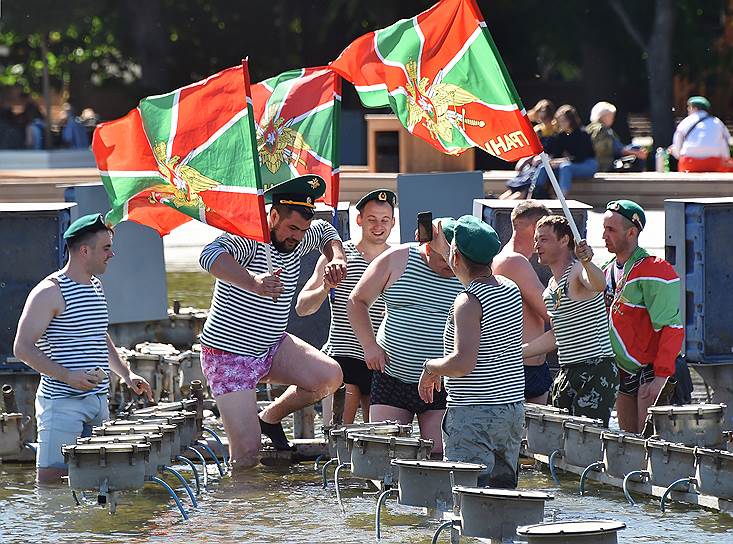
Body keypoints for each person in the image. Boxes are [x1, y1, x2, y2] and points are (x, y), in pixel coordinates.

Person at [198, 175, 347, 467]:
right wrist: (253, 281)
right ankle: (239, 510)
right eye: (292, 228)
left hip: (273, 347)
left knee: (330, 377)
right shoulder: (249, 238)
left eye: (303, 230)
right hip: (230, 356)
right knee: (248, 454)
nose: (298, 236)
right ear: (273, 215)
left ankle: (270, 417)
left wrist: (336, 258)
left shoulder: (302, 236)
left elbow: (328, 232)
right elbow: (208, 255)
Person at [12, 214, 153, 483]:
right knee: (53, 482)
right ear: (84, 250)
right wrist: (68, 376)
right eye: (106, 248)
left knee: (95, 482)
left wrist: (126, 374)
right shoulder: (49, 292)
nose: (112, 255)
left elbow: (99, 335)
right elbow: (22, 348)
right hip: (62, 404)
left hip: (98, 401)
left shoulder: (96, 285)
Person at [419, 216, 525, 488]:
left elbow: (463, 363)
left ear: (455, 257)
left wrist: (431, 368)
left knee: (467, 496)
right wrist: (449, 250)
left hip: (473, 413)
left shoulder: (467, 302)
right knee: (504, 496)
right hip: (511, 411)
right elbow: (470, 274)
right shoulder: (510, 288)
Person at [348, 220, 464, 456]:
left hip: (439, 382)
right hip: (392, 374)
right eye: (444, 259)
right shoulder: (398, 258)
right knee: (382, 454)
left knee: (439, 454)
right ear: (429, 248)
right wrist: (369, 346)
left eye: (454, 258)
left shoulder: (463, 270)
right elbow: (357, 301)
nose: (450, 266)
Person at [296, 189, 396, 425]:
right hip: (344, 357)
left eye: (385, 220)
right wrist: (325, 288)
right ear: (359, 220)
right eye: (372, 219)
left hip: (384, 360)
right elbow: (302, 307)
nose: (378, 226)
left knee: (382, 439)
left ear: (393, 222)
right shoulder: (339, 257)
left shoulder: (399, 257)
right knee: (339, 434)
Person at [523, 215, 619, 426]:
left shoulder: (577, 271)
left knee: (584, 441)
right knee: (559, 438)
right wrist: (517, 352)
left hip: (595, 368)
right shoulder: (550, 287)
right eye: (536, 240)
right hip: (567, 370)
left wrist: (587, 261)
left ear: (565, 240)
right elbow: (558, 335)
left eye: (544, 239)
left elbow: (598, 284)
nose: (537, 245)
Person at [601, 200, 683, 433]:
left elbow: (671, 327)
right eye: (604, 228)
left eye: (611, 230)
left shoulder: (655, 269)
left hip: (650, 370)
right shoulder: (606, 269)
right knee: (629, 445)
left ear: (631, 232)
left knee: (649, 447)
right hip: (622, 370)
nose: (604, 236)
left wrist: (661, 377)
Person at [492, 201, 552, 404]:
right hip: (519, 370)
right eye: (543, 228)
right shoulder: (513, 261)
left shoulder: (515, 261)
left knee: (539, 434)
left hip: (532, 368)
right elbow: (551, 312)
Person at [534, 105, 597, 197]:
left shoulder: (582, 134)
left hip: (587, 165)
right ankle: (536, 194)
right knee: (544, 167)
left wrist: (559, 162)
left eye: (564, 121)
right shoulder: (561, 136)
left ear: (571, 120)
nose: (561, 123)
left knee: (565, 167)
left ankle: (561, 198)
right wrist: (548, 160)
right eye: (559, 121)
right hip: (569, 164)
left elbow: (579, 157)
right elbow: (556, 154)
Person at [669, 96, 733, 173]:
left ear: (694, 108)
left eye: (689, 107)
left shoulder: (685, 122)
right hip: (714, 163)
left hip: (689, 163)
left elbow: (678, 150)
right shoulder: (717, 122)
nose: (688, 110)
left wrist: (674, 152)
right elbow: (727, 142)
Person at [586, 101, 648, 172]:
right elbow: (614, 149)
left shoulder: (592, 128)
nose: (612, 119)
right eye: (610, 116)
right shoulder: (601, 130)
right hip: (606, 164)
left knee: (635, 148)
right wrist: (636, 153)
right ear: (602, 116)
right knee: (637, 149)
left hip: (606, 161)